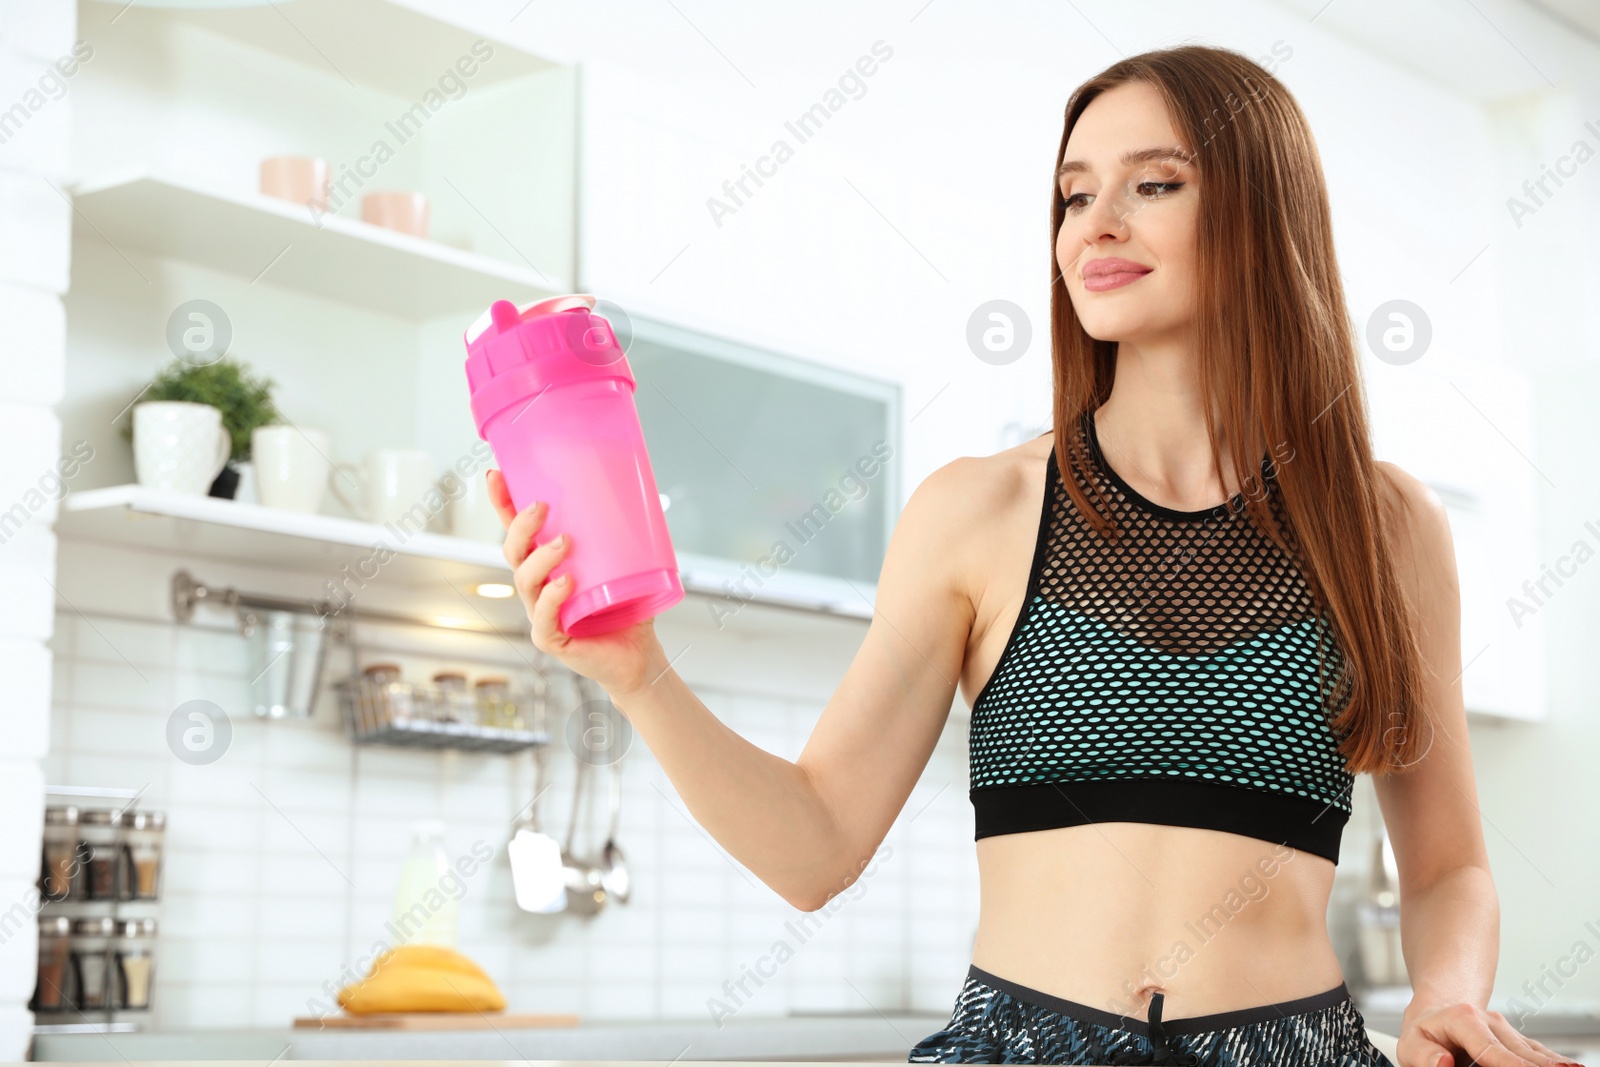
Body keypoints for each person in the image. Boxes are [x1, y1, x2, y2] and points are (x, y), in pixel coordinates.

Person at [485, 43, 1579, 1067]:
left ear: (1261, 212)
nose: (1095, 224)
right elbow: (814, 845)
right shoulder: (978, 510)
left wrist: (1447, 991)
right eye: (1073, 193)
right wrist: (640, 674)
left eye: (1153, 184)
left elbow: (1446, 866)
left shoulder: (1386, 526)